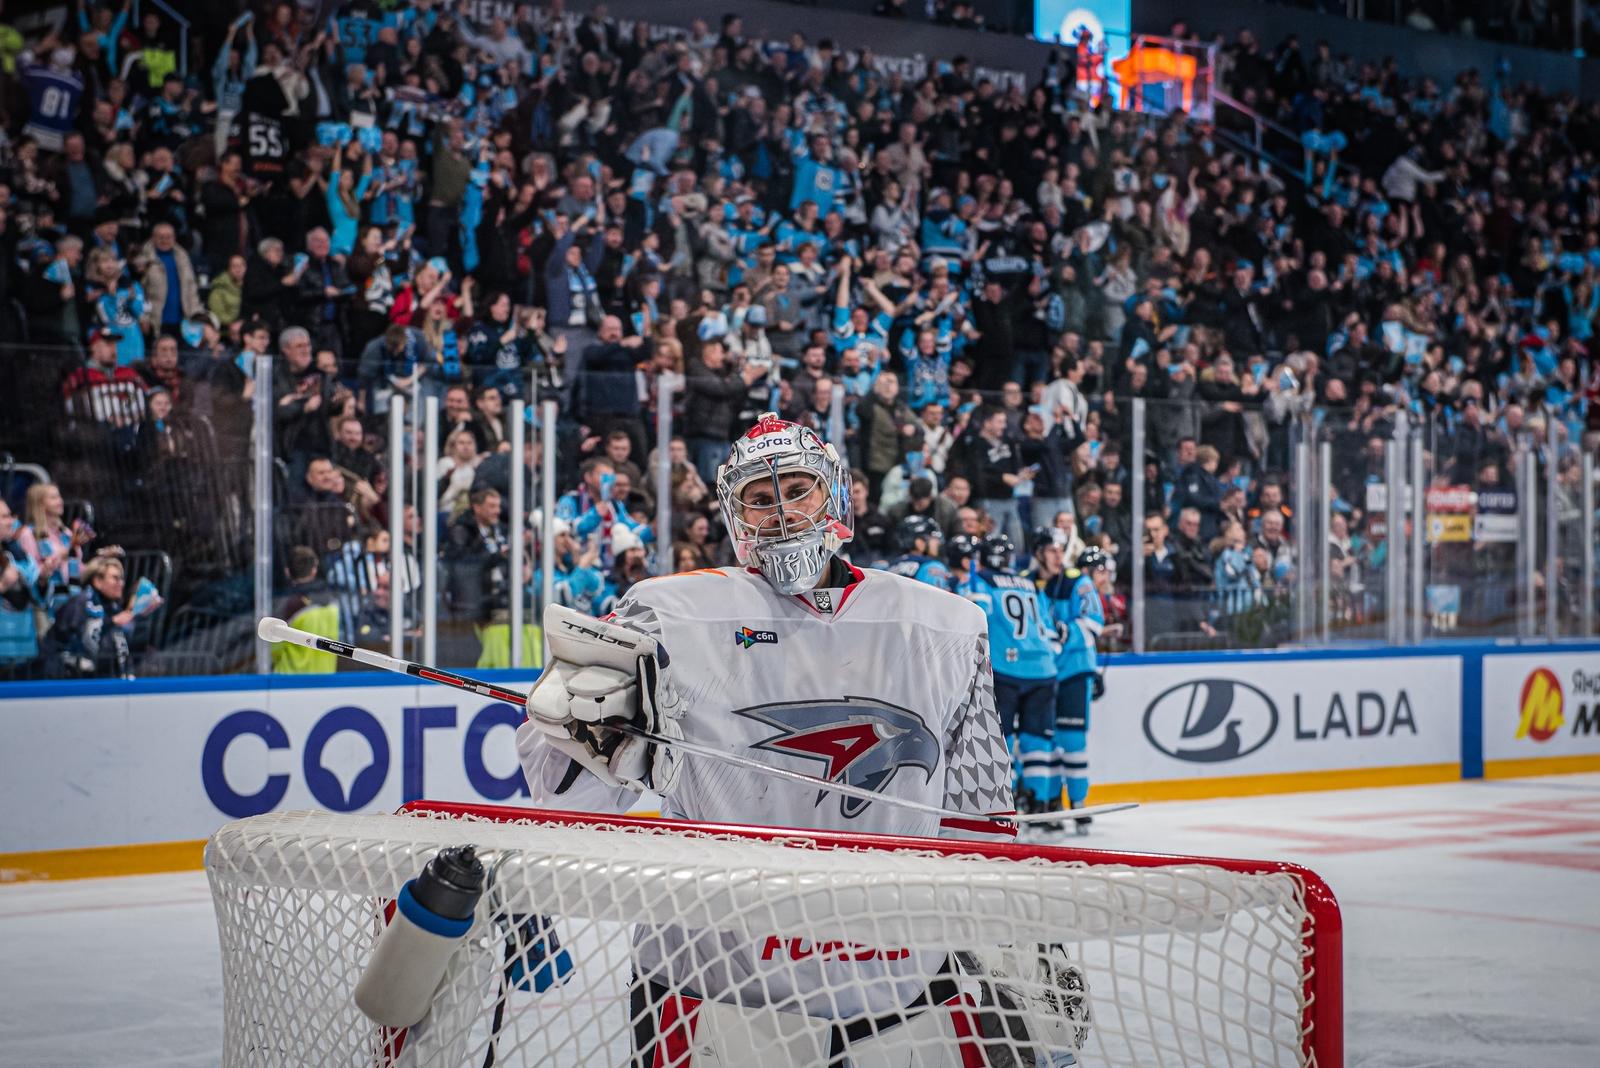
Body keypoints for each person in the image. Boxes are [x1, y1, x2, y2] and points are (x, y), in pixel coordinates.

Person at [515, 411, 1023, 1062]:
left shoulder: (945, 626)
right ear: (734, 515)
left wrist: (1009, 937)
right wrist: (581, 728)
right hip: (714, 978)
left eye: (797, 489)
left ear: (834, 494)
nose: (780, 512)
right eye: (759, 499)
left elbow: (981, 818)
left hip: (897, 981)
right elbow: (562, 799)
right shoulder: (664, 614)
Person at [955, 530, 1059, 823]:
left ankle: (1009, 805)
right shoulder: (1029, 582)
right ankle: (1039, 804)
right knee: (1037, 740)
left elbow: (979, 618)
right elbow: (1048, 628)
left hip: (1006, 668)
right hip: (1044, 669)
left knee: (1004, 739)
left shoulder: (983, 581)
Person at [1037, 539, 1110, 834]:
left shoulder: (1079, 584)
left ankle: (1078, 803)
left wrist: (1066, 631)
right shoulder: (1035, 583)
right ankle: (1050, 801)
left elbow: (1094, 622)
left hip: (1073, 672)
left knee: (1072, 742)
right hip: (1044, 673)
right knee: (1046, 742)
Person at [883, 514, 949, 588]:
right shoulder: (932, 566)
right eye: (933, 538)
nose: (938, 542)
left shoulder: (891, 565)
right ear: (919, 543)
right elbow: (937, 598)